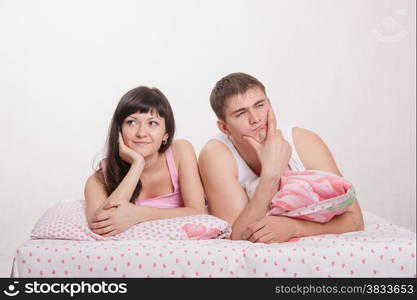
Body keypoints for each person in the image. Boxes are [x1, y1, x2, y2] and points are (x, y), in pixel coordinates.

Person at [198, 72, 364, 243]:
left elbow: (355, 219)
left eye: (260, 105)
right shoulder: (215, 154)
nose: (255, 119)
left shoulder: (304, 141)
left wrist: (294, 228)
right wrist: (271, 174)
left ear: (270, 104)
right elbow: (237, 235)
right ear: (224, 127)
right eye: (241, 113)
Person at [84, 86, 206, 237]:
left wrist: (139, 214)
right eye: (131, 122)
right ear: (119, 130)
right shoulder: (98, 180)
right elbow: (102, 227)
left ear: (166, 134)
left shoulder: (180, 151)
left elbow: (198, 212)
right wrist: (137, 165)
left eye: (152, 123)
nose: (141, 133)